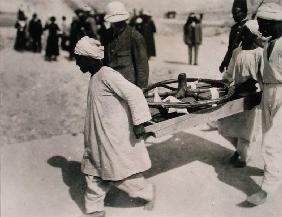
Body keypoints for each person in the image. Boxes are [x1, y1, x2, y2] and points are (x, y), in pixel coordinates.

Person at [74, 36, 155, 217]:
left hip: (112, 136)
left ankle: (148, 193)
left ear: (89, 57)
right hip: (98, 135)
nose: (77, 63)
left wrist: (139, 123)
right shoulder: (95, 76)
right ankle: (94, 208)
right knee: (94, 169)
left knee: (120, 173)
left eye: (78, 58)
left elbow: (134, 93)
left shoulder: (107, 74)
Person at [246, 2, 282, 206]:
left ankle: (267, 188)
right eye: (260, 24)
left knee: (271, 141)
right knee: (270, 137)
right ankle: (274, 170)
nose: (262, 29)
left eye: (265, 24)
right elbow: (255, 36)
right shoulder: (270, 43)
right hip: (269, 93)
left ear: (278, 23)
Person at [218, 20, 264, 168]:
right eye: (242, 32)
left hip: (251, 97)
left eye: (246, 33)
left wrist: (262, 94)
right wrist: (224, 84)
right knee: (229, 126)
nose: (242, 35)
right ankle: (239, 150)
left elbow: (263, 77)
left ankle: (243, 157)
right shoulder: (237, 52)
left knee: (246, 129)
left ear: (254, 35)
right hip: (236, 95)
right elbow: (229, 72)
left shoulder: (260, 54)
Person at [102, 1, 149, 89]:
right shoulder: (106, 35)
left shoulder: (135, 36)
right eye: (115, 22)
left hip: (128, 87)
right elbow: (103, 62)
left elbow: (142, 67)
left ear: (125, 20)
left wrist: (141, 90)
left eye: (120, 21)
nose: (117, 24)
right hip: (109, 86)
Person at [219, 2, 248, 73]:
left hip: (244, 64)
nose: (234, 16)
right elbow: (230, 48)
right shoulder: (234, 28)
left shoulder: (250, 27)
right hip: (232, 63)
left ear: (244, 13)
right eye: (233, 14)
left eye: (236, 13)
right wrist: (225, 62)